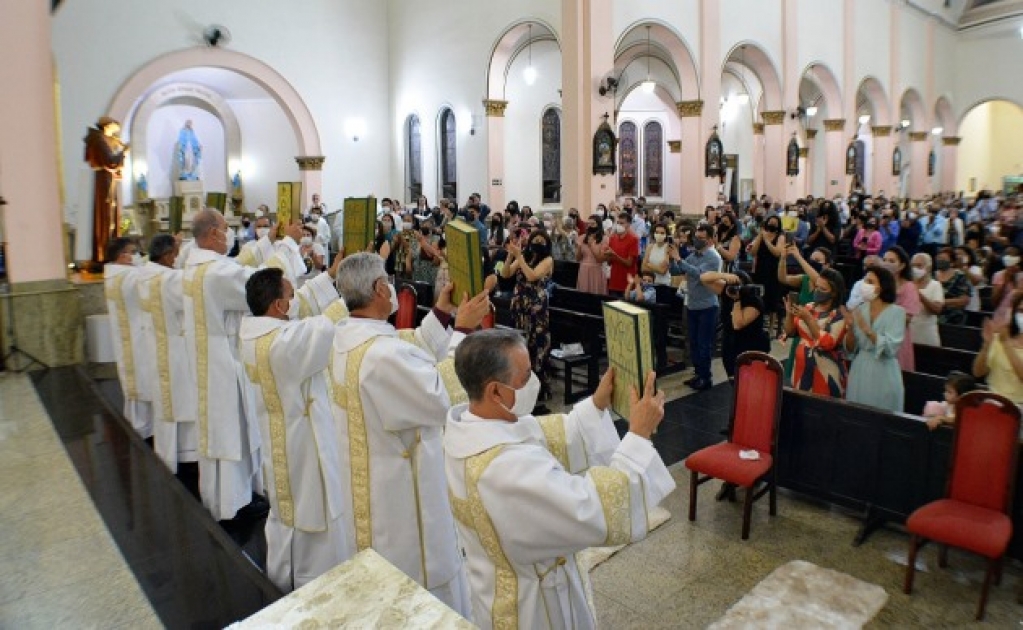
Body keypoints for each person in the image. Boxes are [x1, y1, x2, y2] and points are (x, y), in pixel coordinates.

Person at [444, 332, 674, 630]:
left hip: (494, 588)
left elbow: (551, 433)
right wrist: (639, 435)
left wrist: (597, 404)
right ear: (496, 392)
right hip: (533, 609)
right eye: (525, 377)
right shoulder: (503, 468)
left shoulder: (468, 431)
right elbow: (592, 510)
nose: (533, 383)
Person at [328, 253, 491, 616]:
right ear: (379, 288)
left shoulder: (348, 338)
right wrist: (463, 331)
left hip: (371, 485)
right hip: (400, 499)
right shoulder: (380, 355)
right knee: (422, 593)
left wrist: (443, 315)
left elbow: (410, 350)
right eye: (387, 280)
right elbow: (440, 394)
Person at [182, 209, 305, 522]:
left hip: (206, 358)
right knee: (231, 430)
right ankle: (233, 503)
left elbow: (240, 264)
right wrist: (289, 245)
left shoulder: (195, 265)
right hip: (223, 361)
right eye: (225, 228)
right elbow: (259, 286)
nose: (230, 233)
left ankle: (227, 496)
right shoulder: (215, 273)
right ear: (212, 234)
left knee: (222, 431)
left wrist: (270, 241)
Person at [239, 263, 349, 593]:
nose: (295, 300)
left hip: (279, 436)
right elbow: (325, 329)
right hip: (301, 442)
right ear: (278, 306)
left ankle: (283, 572)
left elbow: (303, 311)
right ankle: (312, 580)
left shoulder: (253, 332)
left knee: (287, 511)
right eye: (290, 296)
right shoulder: (283, 343)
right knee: (310, 511)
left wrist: (330, 274)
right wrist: (352, 296)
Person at [136, 234, 199, 495]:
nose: (177, 257)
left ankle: (166, 453)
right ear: (167, 256)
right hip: (177, 350)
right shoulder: (170, 279)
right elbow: (195, 295)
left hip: (157, 345)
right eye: (175, 252)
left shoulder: (143, 275)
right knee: (182, 403)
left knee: (167, 404)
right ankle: (185, 455)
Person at [103, 237, 155, 442]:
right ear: (121, 256)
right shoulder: (126, 277)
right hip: (135, 338)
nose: (136, 256)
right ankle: (140, 430)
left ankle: (143, 427)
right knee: (140, 385)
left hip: (134, 336)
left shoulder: (116, 274)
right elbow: (151, 278)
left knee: (140, 384)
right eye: (133, 252)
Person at [843, 266, 906, 413]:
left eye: (870, 282)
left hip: (884, 370)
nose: (865, 285)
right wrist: (851, 328)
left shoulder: (897, 312)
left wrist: (867, 330)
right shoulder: (860, 309)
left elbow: (891, 348)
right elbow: (851, 349)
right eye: (865, 281)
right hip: (860, 367)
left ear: (881, 287)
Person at [502, 231, 554, 405]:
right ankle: (519, 383)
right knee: (519, 342)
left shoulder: (548, 261)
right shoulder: (525, 255)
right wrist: (510, 256)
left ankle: (537, 387)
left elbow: (532, 276)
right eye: (535, 240)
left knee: (535, 343)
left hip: (535, 306)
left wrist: (519, 257)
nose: (537, 243)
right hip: (520, 304)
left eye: (541, 241)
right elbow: (505, 273)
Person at [669, 223, 723, 390]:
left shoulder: (713, 257)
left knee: (703, 343)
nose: (697, 241)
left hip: (707, 306)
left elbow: (700, 275)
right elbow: (676, 271)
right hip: (692, 305)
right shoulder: (693, 256)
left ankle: (706, 377)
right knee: (693, 342)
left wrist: (679, 259)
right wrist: (672, 258)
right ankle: (698, 374)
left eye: (701, 238)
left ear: (709, 240)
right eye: (696, 238)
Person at [786, 269, 848, 397]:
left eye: (823, 289)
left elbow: (827, 343)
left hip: (826, 371)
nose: (817, 291)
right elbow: (790, 332)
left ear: (834, 293)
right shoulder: (809, 307)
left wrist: (809, 319)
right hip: (801, 368)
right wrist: (789, 313)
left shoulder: (839, 315)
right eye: (817, 286)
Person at [706, 270, 771, 380]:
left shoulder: (754, 301)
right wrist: (724, 275)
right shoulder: (726, 292)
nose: (735, 288)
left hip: (750, 347)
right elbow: (703, 278)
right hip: (731, 345)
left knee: (749, 382)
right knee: (734, 380)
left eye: (738, 285)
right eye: (732, 285)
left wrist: (737, 300)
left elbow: (737, 324)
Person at [84, 117, 129, 267]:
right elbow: (110, 161)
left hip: (108, 179)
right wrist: (123, 151)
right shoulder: (98, 140)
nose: (115, 132)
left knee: (111, 217)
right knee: (106, 218)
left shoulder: (104, 139)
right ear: (107, 126)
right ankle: (105, 254)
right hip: (104, 181)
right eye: (114, 128)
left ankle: (111, 252)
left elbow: (112, 163)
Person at [973, 294, 1023, 405]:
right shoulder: (998, 338)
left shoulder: (1004, 340)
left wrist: (1006, 343)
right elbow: (978, 372)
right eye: (1021, 311)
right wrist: (986, 345)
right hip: (993, 400)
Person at [883, 246, 921, 370]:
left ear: (901, 265)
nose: (886, 264)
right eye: (885, 260)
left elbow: (906, 319)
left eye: (892, 261)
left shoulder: (909, 287)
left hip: (897, 338)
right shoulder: (879, 284)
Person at [750, 214, 785, 336]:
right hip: (760, 269)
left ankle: (771, 329)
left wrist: (766, 240)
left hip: (773, 270)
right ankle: (759, 325)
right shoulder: (762, 235)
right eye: (770, 222)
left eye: (775, 223)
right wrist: (760, 236)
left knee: (772, 299)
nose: (772, 225)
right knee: (759, 298)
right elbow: (753, 252)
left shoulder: (780, 237)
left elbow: (777, 252)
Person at [910, 253, 943, 347]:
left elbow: (937, 309)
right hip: (910, 334)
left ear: (928, 267)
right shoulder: (908, 284)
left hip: (927, 335)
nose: (915, 268)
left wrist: (919, 295)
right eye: (913, 265)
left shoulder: (935, 285)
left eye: (919, 265)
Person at [605, 212, 639, 296]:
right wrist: (607, 255)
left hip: (626, 283)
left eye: (622, 223)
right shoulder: (613, 238)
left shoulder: (633, 239)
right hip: (614, 281)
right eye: (618, 223)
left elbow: (629, 263)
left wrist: (614, 255)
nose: (619, 225)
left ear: (628, 224)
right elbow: (609, 262)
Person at [935, 247, 971, 325]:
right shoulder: (932, 276)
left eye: (944, 258)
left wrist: (943, 302)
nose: (940, 260)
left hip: (953, 317)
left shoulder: (960, 276)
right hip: (934, 315)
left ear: (951, 262)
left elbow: (964, 300)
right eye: (939, 258)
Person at [575, 215, 608, 295]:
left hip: (597, 270)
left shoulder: (605, 239)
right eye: (588, 224)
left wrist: (591, 246)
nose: (590, 226)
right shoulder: (582, 237)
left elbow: (600, 259)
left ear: (598, 225)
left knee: (596, 294)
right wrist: (579, 247)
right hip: (584, 269)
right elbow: (577, 259)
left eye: (592, 224)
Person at [991, 246, 1022, 324]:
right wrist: (1005, 281)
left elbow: (1017, 298)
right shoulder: (998, 275)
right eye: (1006, 254)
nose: (1009, 257)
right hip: (1001, 316)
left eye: (1012, 254)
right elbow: (994, 302)